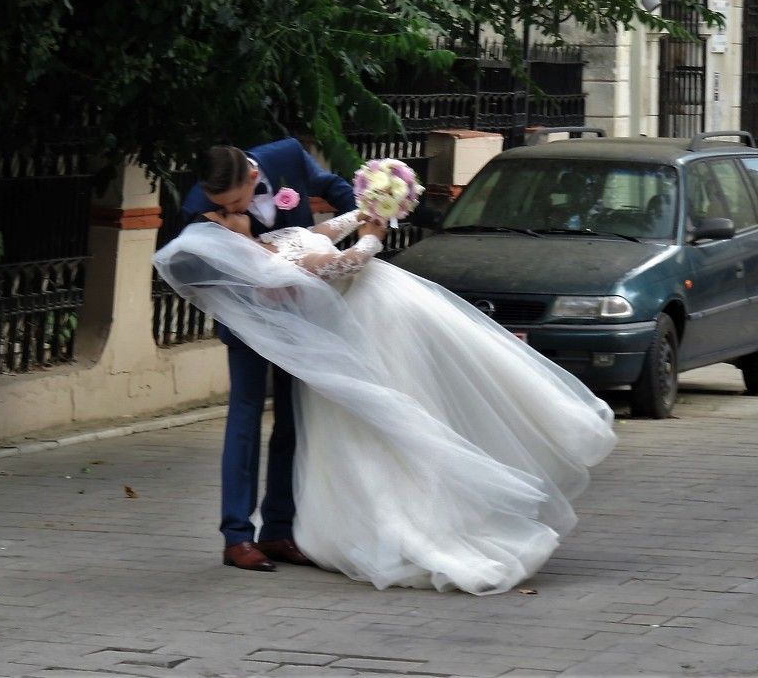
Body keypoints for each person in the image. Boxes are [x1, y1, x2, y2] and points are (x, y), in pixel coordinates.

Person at [154, 204, 618, 596]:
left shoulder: (276, 239)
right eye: (231, 227)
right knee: (384, 424)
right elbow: (347, 262)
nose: (240, 223)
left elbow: (321, 232)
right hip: (367, 323)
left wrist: (367, 207)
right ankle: (404, 522)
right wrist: (373, 235)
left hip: (387, 308)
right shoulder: (274, 267)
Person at [180, 139, 356, 572]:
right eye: (222, 207)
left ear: (254, 176)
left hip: (300, 312)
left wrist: (365, 212)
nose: (232, 213)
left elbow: (332, 187)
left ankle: (279, 528)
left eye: (236, 203)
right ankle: (236, 537)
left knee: (293, 417)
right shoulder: (196, 206)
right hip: (245, 318)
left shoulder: (288, 157)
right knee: (245, 416)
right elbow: (196, 273)